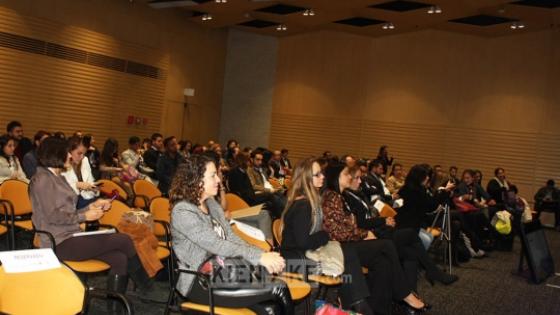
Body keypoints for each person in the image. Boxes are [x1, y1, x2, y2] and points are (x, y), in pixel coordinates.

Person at [30, 137, 153, 303]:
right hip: (57, 242)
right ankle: (148, 286)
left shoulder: (58, 177)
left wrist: (92, 206)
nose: (71, 157)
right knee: (124, 240)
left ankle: (115, 306)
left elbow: (68, 212)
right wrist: (84, 216)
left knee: (119, 258)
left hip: (71, 236)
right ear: (56, 154)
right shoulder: (43, 179)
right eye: (67, 153)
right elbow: (54, 216)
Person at [169, 154, 293, 315]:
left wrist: (262, 254)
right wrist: (259, 257)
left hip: (225, 272)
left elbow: (231, 237)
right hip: (199, 282)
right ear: (196, 179)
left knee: (271, 309)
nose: (219, 180)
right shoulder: (183, 211)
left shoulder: (211, 204)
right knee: (279, 288)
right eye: (213, 175)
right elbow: (216, 244)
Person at [321, 162, 430, 315]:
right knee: (386, 246)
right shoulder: (331, 197)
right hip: (340, 248)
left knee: (383, 262)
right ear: (336, 178)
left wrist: (362, 233)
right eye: (346, 174)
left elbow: (349, 227)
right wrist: (364, 234)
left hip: (349, 243)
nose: (350, 177)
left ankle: (380, 309)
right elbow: (336, 232)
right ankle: (405, 294)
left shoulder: (340, 196)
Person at [61, 136, 99, 209]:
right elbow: (60, 190)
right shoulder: (62, 164)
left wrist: (94, 188)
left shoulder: (85, 160)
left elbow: (90, 181)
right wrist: (77, 185)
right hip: (70, 202)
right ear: (69, 151)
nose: (82, 157)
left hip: (86, 198)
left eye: (84, 154)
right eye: (79, 153)